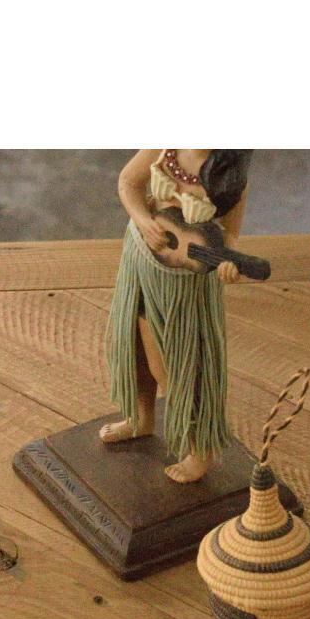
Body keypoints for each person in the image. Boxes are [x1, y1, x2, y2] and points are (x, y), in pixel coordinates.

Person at [101, 149, 253, 482]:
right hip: (141, 258)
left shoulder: (231, 175)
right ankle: (141, 419)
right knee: (134, 348)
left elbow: (229, 236)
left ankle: (200, 448)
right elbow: (128, 182)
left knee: (173, 365)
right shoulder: (166, 144)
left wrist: (228, 262)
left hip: (185, 282)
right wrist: (144, 221)